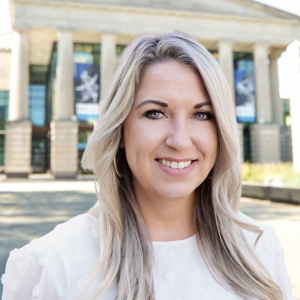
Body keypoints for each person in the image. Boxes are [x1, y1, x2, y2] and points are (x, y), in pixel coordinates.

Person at [1, 32, 294, 300]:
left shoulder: (259, 248)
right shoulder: (51, 264)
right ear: (120, 129)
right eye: (155, 113)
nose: (180, 140)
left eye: (202, 115)